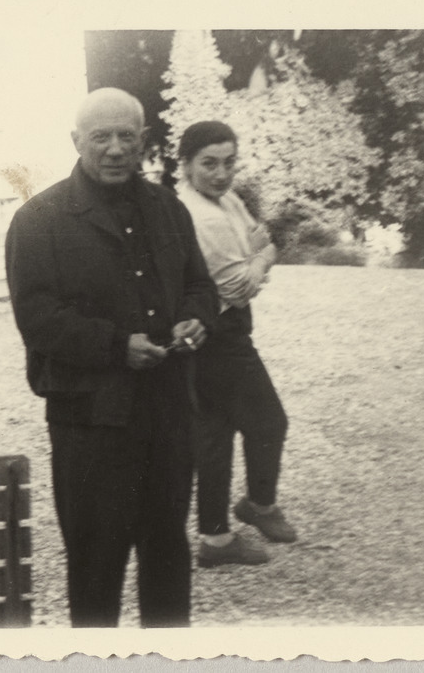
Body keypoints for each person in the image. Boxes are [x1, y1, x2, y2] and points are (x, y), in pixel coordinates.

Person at [5, 88, 218, 627]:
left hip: (167, 415)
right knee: (96, 573)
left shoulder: (168, 208)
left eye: (127, 136)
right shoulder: (39, 220)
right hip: (91, 425)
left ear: (143, 140)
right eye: (101, 137)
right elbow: (38, 318)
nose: (116, 149)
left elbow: (200, 285)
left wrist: (197, 318)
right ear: (76, 141)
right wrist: (116, 346)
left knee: (167, 559)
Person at [175, 121, 297, 569]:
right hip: (219, 333)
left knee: (216, 434)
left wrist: (257, 256)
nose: (221, 173)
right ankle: (258, 506)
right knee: (269, 422)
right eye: (209, 163)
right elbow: (237, 288)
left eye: (229, 162)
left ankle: (217, 538)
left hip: (217, 329)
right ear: (185, 165)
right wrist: (259, 257)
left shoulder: (225, 200)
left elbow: (265, 244)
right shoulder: (200, 214)